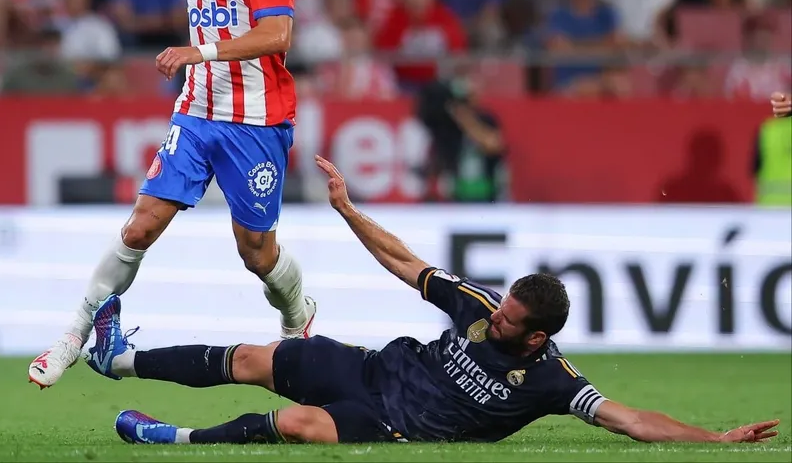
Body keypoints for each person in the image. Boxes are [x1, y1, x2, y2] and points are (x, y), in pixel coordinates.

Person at [80, 156, 781, 446]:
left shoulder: (551, 381)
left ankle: (172, 439)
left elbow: (629, 418)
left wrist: (712, 439)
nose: (495, 316)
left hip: (392, 425)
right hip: (371, 370)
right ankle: (119, 358)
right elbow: (403, 262)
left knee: (299, 426)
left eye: (510, 320)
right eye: (500, 307)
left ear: (537, 338)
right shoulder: (477, 303)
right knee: (261, 356)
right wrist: (350, 211)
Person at [28, 0, 315, 389]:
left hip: (255, 122)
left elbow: (277, 35)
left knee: (257, 253)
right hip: (196, 115)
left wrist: (197, 51)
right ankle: (72, 336)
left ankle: (298, 317)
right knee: (139, 227)